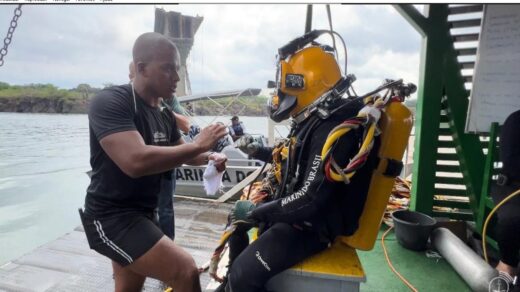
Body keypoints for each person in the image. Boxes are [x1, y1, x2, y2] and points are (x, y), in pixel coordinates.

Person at [215, 37, 377, 292]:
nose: (283, 94)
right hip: (295, 213)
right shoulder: (315, 120)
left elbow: (311, 199)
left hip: (312, 226)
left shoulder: (334, 128)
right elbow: (289, 160)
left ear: (305, 82)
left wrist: (259, 212)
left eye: (287, 85)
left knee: (244, 274)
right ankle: (228, 285)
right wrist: (257, 151)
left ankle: (234, 282)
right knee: (234, 221)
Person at [80, 32, 228, 292]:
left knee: (128, 288)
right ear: (141, 68)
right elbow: (134, 161)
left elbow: (187, 154)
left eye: (177, 69)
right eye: (168, 68)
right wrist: (198, 144)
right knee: (185, 271)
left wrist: (209, 157)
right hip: (110, 218)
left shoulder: (164, 114)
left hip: (145, 213)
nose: (176, 77)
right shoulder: (111, 101)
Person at [129, 61, 191, 240]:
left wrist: (161, 104)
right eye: (131, 77)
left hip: (165, 167)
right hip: (142, 170)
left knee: (165, 208)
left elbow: (186, 125)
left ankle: (166, 244)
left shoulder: (167, 100)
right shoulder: (126, 101)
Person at [492, 109, 520, 288]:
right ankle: (507, 266)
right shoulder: (516, 120)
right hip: (512, 185)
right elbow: (511, 162)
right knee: (513, 220)